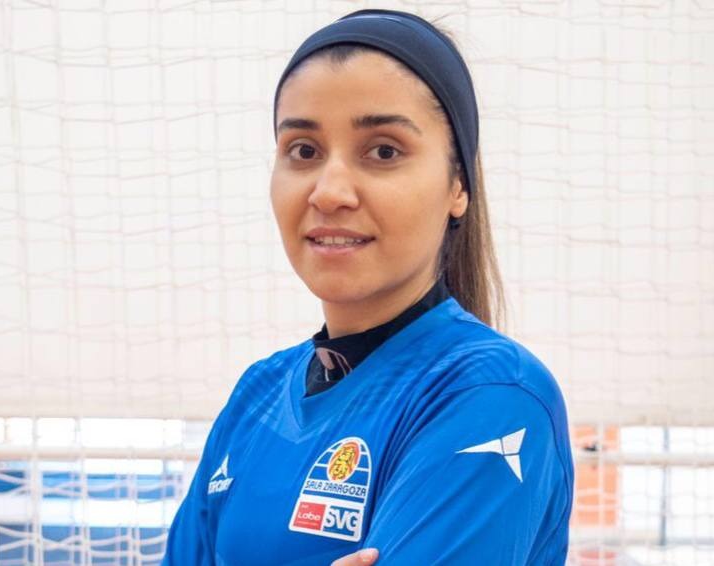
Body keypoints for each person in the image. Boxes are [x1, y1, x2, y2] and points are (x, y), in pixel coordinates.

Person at [163, 8, 573, 566]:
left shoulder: (493, 395)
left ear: (458, 185)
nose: (329, 192)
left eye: (383, 151)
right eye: (303, 151)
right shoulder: (258, 393)